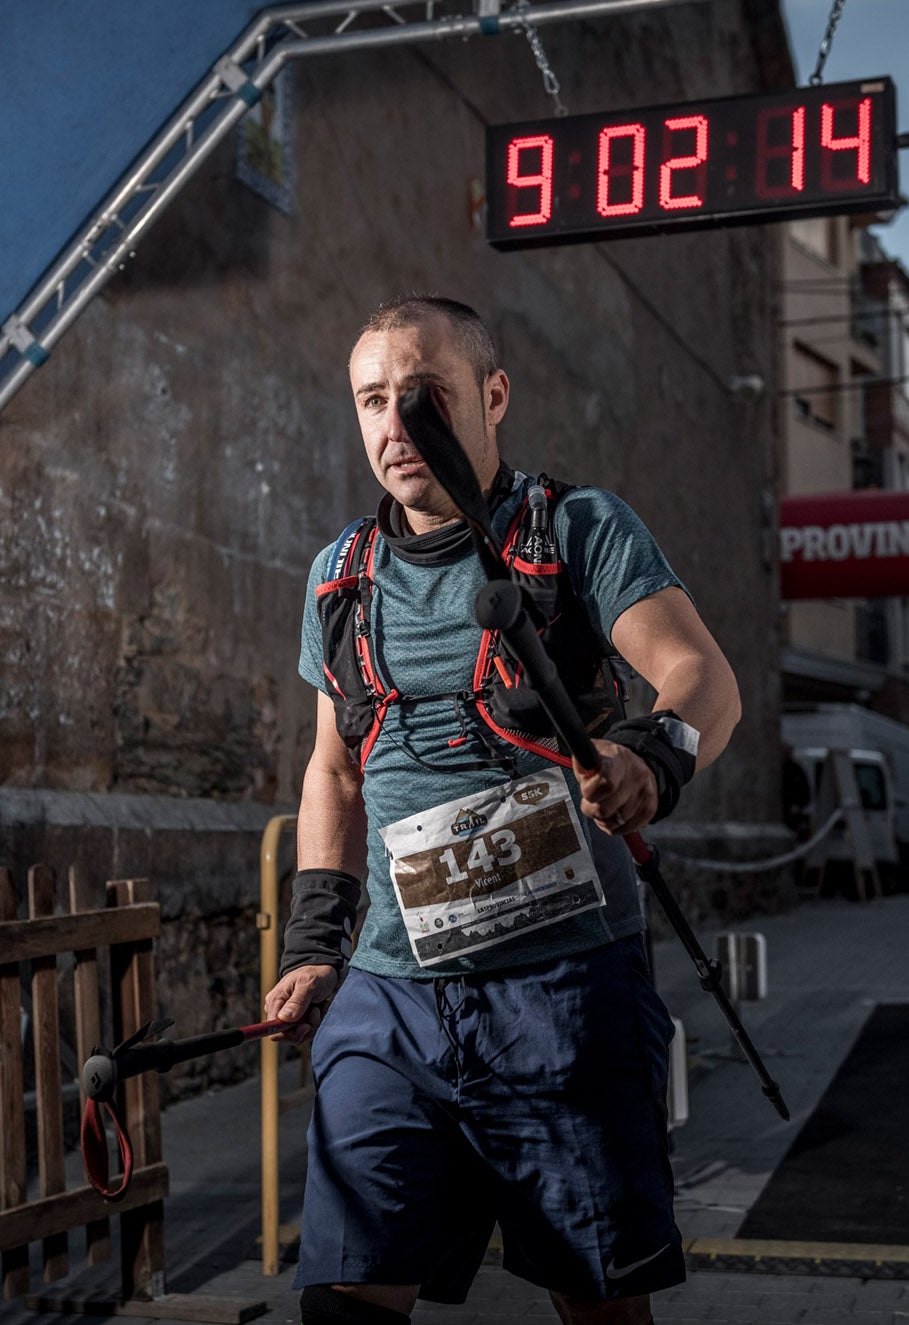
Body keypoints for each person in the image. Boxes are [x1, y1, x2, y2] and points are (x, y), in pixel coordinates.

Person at [263, 296, 741, 1325]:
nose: (396, 425)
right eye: (372, 401)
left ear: (492, 396)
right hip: (388, 1000)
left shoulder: (576, 530)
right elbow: (333, 773)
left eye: (422, 395)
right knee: (344, 1297)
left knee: (597, 1302)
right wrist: (314, 946)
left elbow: (700, 675)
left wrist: (650, 754)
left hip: (562, 992)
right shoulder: (339, 577)